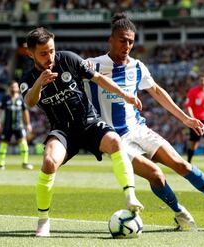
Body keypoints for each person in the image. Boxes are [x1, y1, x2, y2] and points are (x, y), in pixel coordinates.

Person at [85, 13, 204, 230]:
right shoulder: (92, 66)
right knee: (155, 174)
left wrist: (185, 118)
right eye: (122, 40)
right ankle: (179, 211)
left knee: (181, 164)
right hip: (114, 138)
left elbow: (156, 90)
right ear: (110, 39)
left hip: (138, 128)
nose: (127, 45)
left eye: (131, 41)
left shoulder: (137, 67)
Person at [19, 27, 144, 237]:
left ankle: (130, 196)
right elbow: (30, 102)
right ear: (30, 53)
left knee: (114, 141)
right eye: (43, 53)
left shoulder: (68, 59)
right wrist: (40, 82)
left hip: (89, 122)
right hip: (63, 131)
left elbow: (99, 79)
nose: (49, 56)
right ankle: (43, 221)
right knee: (49, 162)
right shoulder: (28, 77)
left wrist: (125, 95)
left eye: (51, 50)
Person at [0, 80, 33, 170]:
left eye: (15, 87)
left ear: (18, 88)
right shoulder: (5, 98)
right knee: (4, 144)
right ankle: (1, 164)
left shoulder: (21, 99)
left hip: (19, 126)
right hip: (7, 126)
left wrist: (28, 124)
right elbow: (0, 111)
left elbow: (25, 112)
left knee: (23, 144)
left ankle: (25, 163)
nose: (14, 88)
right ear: (10, 88)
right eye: (12, 87)